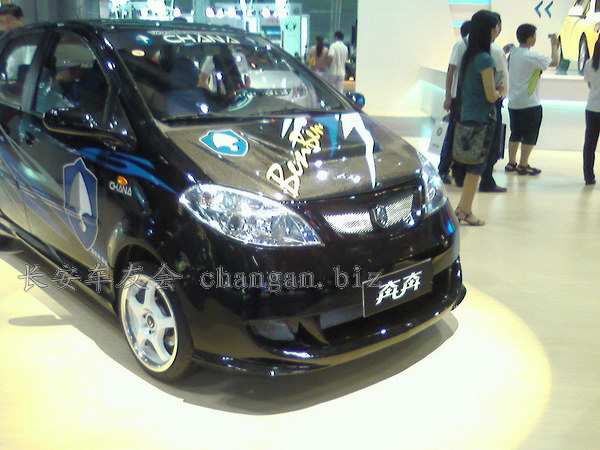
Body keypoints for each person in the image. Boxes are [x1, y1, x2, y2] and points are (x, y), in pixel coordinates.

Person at [454, 10, 502, 226]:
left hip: (467, 116)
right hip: (482, 119)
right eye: (496, 27)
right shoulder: (485, 59)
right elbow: (490, 95)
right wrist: (500, 92)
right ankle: (465, 210)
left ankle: (462, 208)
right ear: (489, 30)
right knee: (476, 169)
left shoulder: (469, 56)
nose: (497, 30)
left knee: (472, 167)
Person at [506, 24, 559, 176]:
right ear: (530, 38)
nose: (535, 39)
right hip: (530, 103)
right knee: (530, 134)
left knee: (515, 133)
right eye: (534, 36)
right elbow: (554, 62)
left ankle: (511, 163)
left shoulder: (513, 54)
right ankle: (523, 165)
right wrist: (554, 44)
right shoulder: (532, 56)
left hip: (513, 102)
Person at [438, 20, 471, 185]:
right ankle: (444, 169)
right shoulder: (460, 45)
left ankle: (459, 170)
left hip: (470, 99)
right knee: (452, 133)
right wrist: (448, 96)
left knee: (464, 134)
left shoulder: (477, 47)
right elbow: (451, 70)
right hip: (459, 98)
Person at [582, 36, 600, 185]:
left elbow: (589, 84)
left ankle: (588, 176)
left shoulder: (589, 63)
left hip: (592, 108)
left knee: (589, 145)